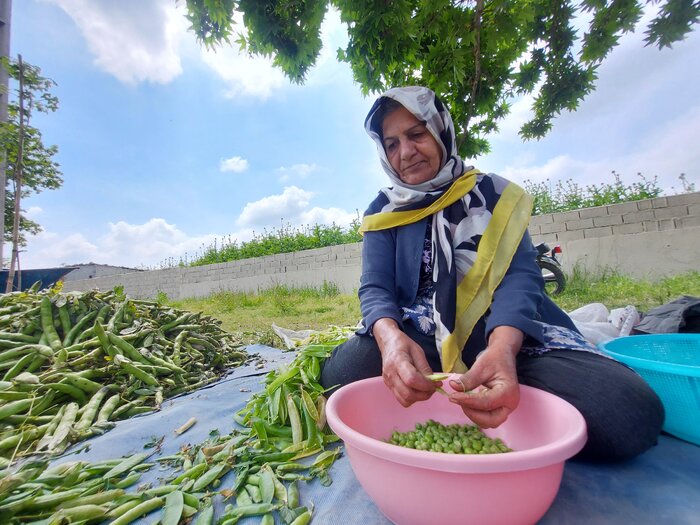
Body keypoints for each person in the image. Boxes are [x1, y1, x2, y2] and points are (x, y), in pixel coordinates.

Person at [320, 86, 664, 462]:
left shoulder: (492, 196)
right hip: (418, 336)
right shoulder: (382, 211)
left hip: (499, 329)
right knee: (340, 376)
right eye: (391, 143)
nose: (405, 152)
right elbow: (375, 288)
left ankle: (491, 380)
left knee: (628, 415)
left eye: (416, 134)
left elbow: (521, 277)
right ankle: (482, 394)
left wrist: (502, 350)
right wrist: (390, 342)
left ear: (440, 131)